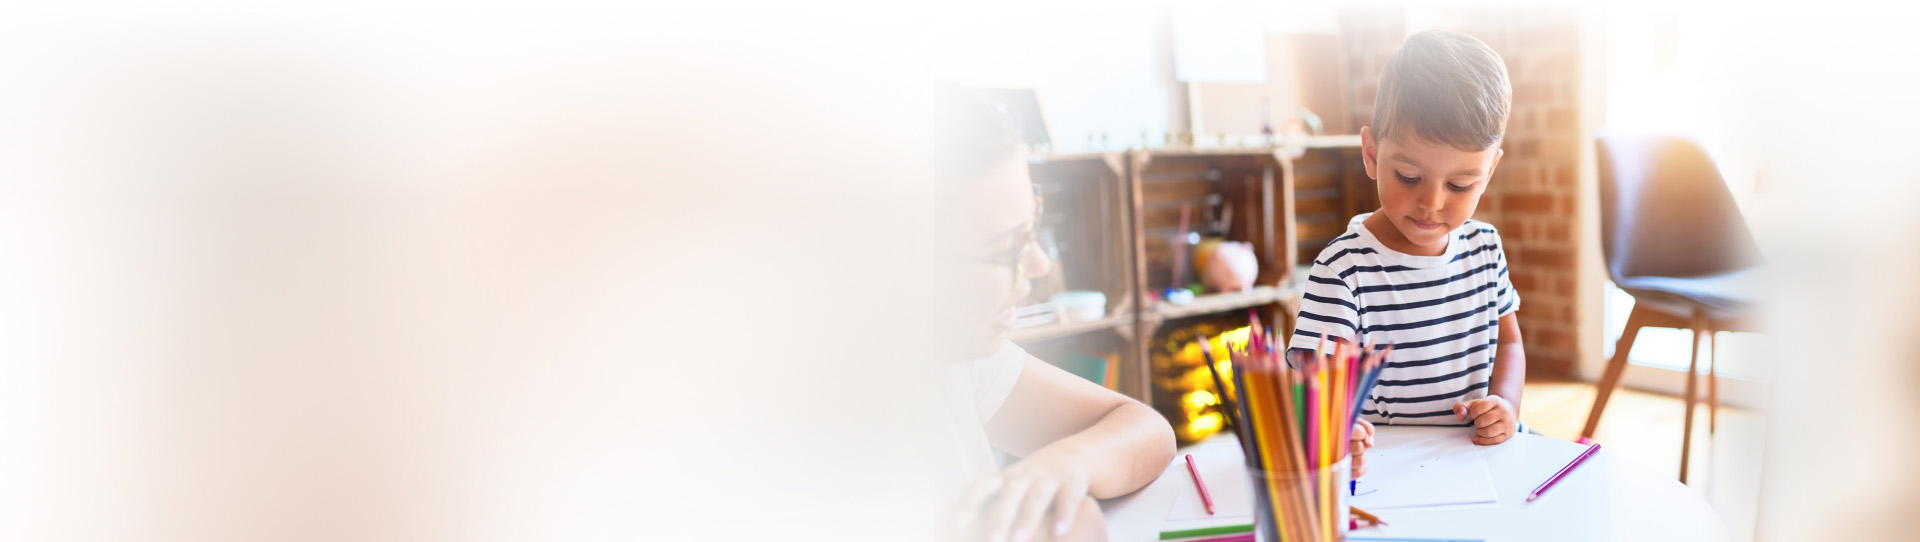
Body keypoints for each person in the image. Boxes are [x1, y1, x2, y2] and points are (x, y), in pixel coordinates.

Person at [932, 84, 1176, 542]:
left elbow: (1148, 430)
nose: (1041, 264)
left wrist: (1065, 466)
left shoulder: (955, 359)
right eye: (1006, 247)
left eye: (1032, 229)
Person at [1284, 30, 1529, 478]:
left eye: (1459, 185)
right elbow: (1312, 378)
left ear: (1489, 169)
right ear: (1372, 154)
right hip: (1384, 470)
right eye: (1409, 176)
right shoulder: (1344, 271)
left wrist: (1506, 404)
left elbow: (1509, 342)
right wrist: (1335, 425)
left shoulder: (1485, 249)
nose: (1432, 202)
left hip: (1471, 459)